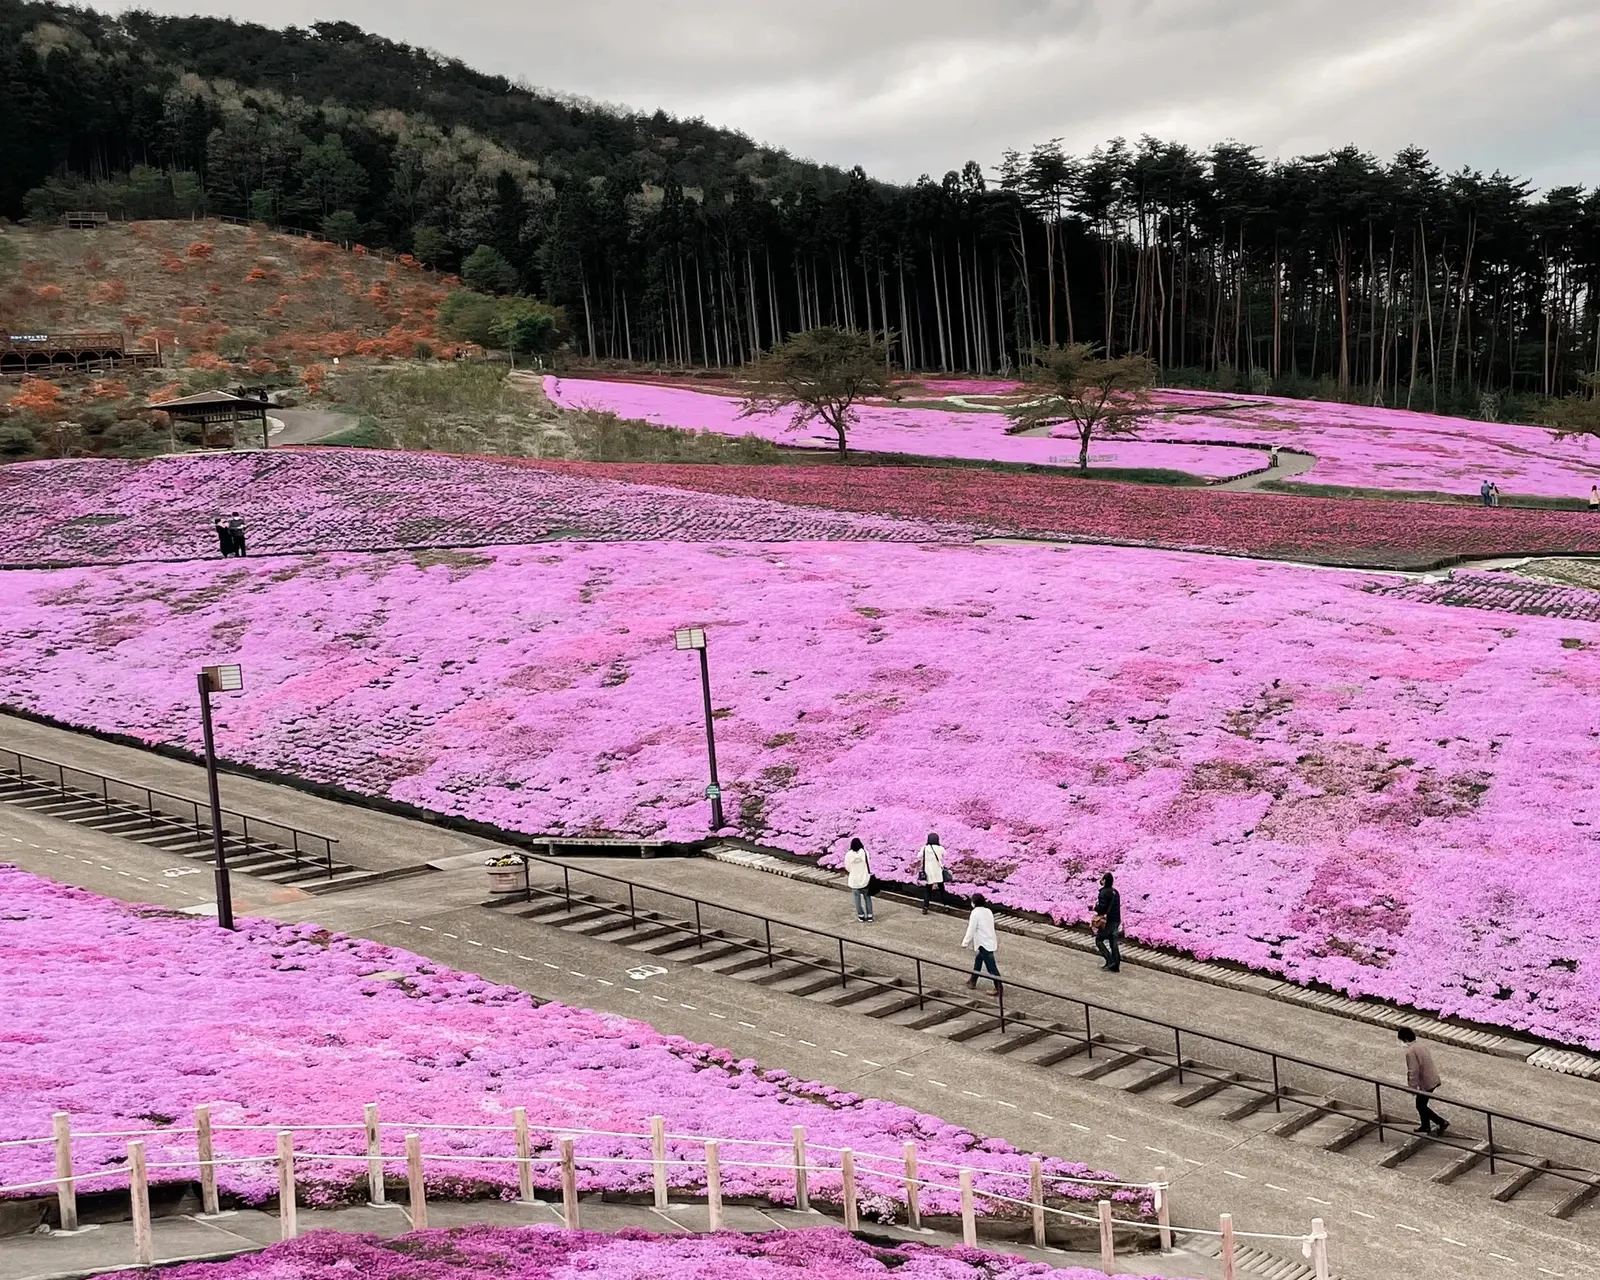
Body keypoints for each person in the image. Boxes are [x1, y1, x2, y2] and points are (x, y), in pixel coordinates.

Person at [1398, 1028, 1448, 1136]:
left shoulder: (1410, 1052)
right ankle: (1426, 1125)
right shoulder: (1421, 1045)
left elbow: (1413, 1071)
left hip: (1426, 1082)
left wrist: (1412, 1087)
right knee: (1421, 1104)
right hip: (1432, 1079)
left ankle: (1440, 1122)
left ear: (1405, 1039)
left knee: (1420, 1105)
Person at [962, 895, 1001, 995]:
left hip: (983, 943)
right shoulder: (988, 911)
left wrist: (965, 942)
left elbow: (971, 929)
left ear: (974, 903)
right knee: (978, 961)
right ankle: (973, 981)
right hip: (989, 940)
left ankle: (999, 988)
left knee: (991, 967)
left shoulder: (975, 913)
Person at [1093, 872, 1122, 973]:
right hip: (1116, 920)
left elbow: (1102, 908)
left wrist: (1095, 907)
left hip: (1108, 921)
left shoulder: (1104, 893)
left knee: (1099, 940)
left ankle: (1110, 961)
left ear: (1105, 881)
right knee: (1113, 942)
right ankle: (1116, 965)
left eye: (1102, 879)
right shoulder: (1115, 892)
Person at [916, 832, 948, 913]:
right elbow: (945, 854)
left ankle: (925, 907)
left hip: (929, 872)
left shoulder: (925, 848)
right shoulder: (940, 848)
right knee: (941, 889)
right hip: (938, 871)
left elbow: (918, 856)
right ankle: (946, 906)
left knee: (928, 890)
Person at [844, 837, 874, 923]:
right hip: (864, 879)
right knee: (867, 897)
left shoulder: (849, 855)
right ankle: (870, 915)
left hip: (854, 880)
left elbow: (848, 867)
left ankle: (861, 916)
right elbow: (868, 863)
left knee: (857, 899)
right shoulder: (864, 853)